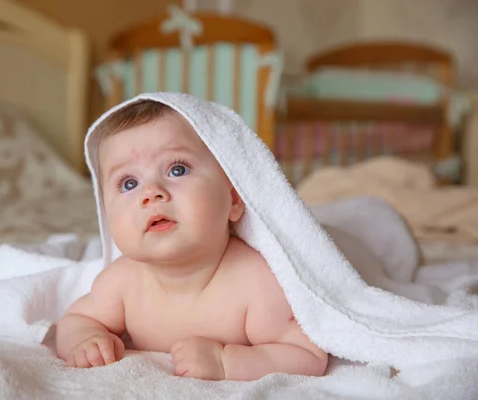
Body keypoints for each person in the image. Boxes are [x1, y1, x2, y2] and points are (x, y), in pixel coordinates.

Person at [55, 99, 328, 381]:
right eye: (129, 183)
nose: (151, 193)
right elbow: (76, 321)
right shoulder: (122, 281)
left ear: (233, 199)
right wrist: (86, 340)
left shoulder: (255, 282)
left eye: (177, 169)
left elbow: (307, 356)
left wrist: (226, 362)